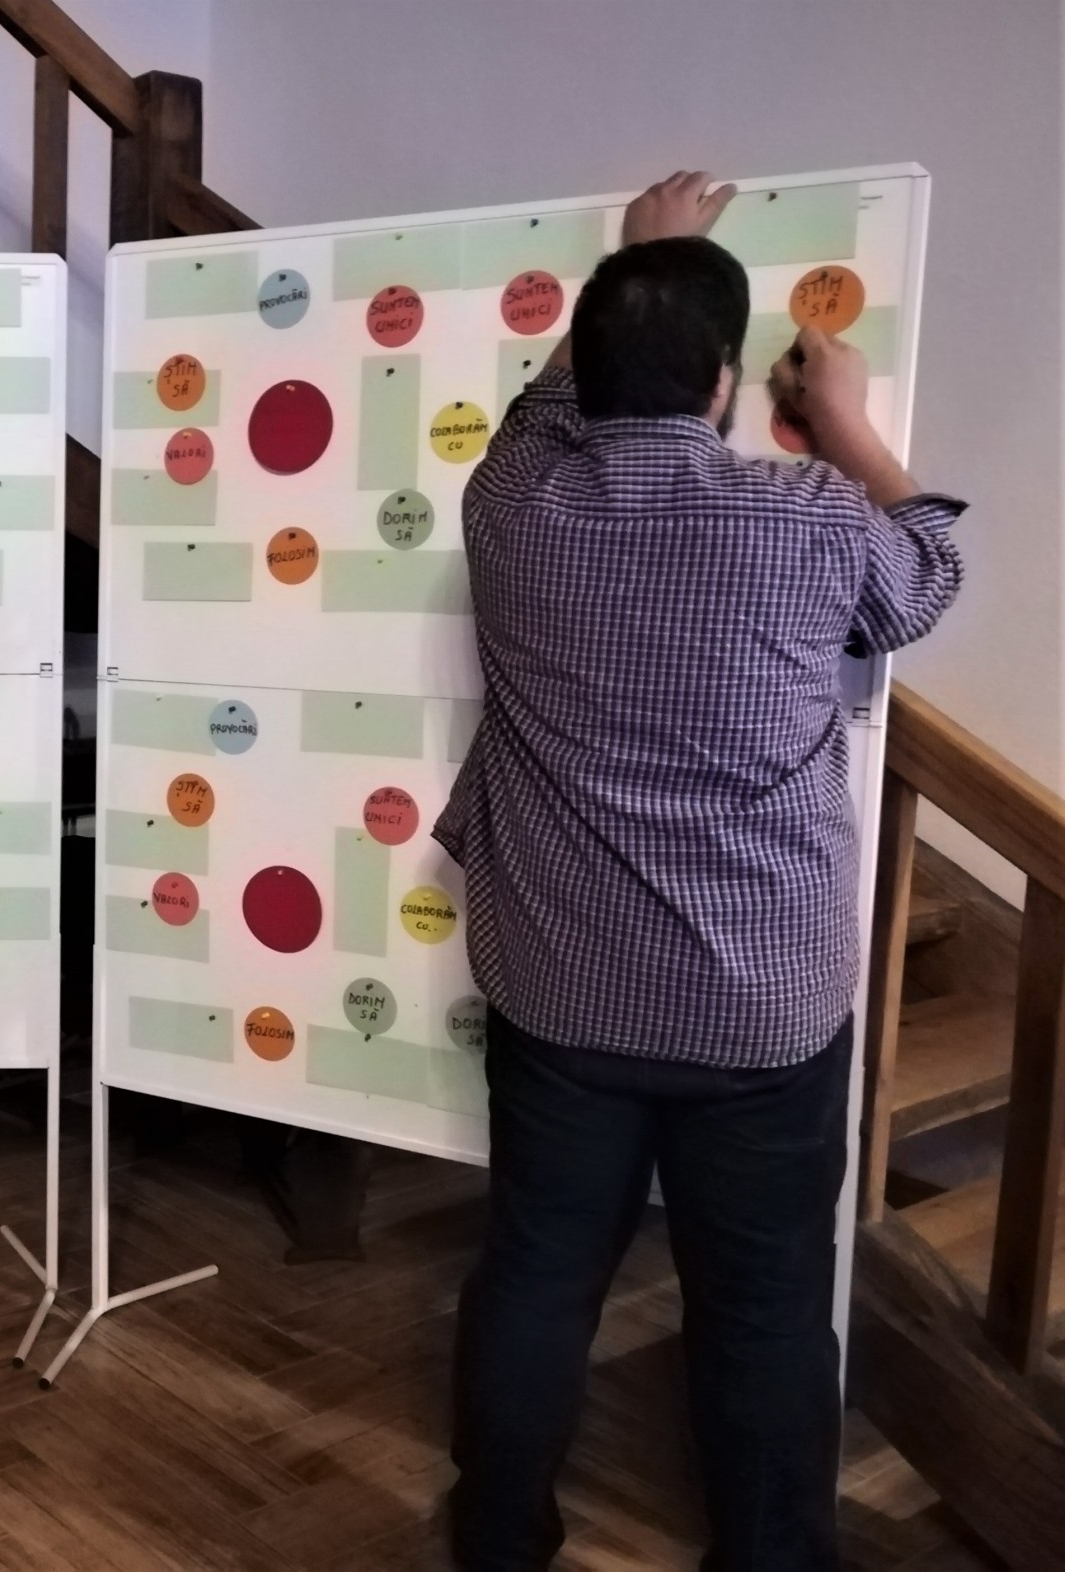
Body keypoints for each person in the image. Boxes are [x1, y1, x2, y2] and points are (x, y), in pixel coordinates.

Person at [436, 173, 964, 1571]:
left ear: (584, 372)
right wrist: (847, 422)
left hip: (562, 991)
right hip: (757, 1013)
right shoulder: (810, 516)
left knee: (536, 1277)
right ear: (727, 383)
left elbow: (543, 411)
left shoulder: (511, 505)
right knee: (767, 1306)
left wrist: (645, 263)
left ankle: (496, 1540)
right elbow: (926, 573)